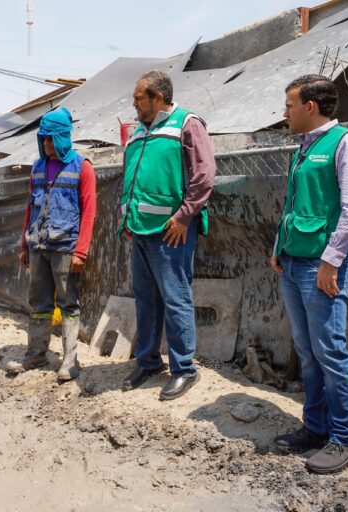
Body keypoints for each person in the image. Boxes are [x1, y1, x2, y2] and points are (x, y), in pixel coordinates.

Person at [270, 75, 348, 474]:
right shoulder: (302, 148)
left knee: (330, 350)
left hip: (321, 266)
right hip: (294, 262)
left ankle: (347, 439)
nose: (285, 112)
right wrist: (278, 246)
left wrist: (330, 262)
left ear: (310, 107)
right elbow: (294, 204)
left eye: (289, 105)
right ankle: (315, 428)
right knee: (308, 351)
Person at [118, 70, 215, 400]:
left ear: (159, 97)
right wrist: (126, 219)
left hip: (172, 232)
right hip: (140, 232)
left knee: (176, 299)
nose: (134, 103)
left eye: (138, 97)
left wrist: (184, 216)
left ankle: (184, 368)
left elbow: (204, 176)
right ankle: (147, 361)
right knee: (146, 299)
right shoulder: (137, 132)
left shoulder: (186, 124)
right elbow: (130, 179)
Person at [7, 107, 97, 382]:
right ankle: (35, 355)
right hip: (38, 247)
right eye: (42, 138)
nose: (45, 143)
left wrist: (81, 250)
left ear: (61, 137)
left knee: (69, 304)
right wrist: (25, 243)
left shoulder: (82, 168)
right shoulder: (37, 167)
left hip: (65, 248)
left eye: (49, 138)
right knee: (39, 303)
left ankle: (70, 361)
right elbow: (29, 208)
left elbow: (90, 211)